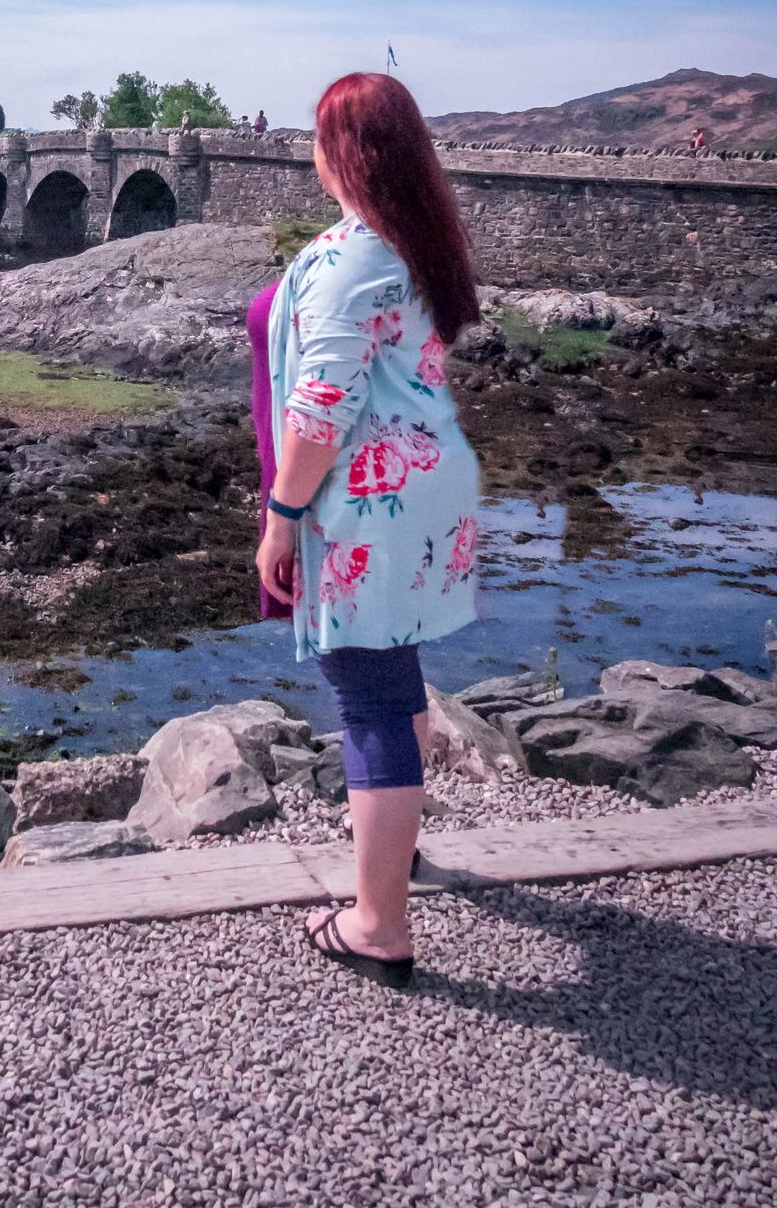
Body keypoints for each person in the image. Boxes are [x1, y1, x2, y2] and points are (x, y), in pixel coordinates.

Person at [251, 72, 481, 988]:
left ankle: (380, 923)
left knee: (371, 695)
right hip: (421, 488)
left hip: (364, 504)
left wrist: (281, 516)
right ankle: (397, 852)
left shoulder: (356, 258)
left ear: (342, 152)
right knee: (398, 675)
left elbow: (321, 409)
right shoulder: (412, 243)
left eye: (318, 135)